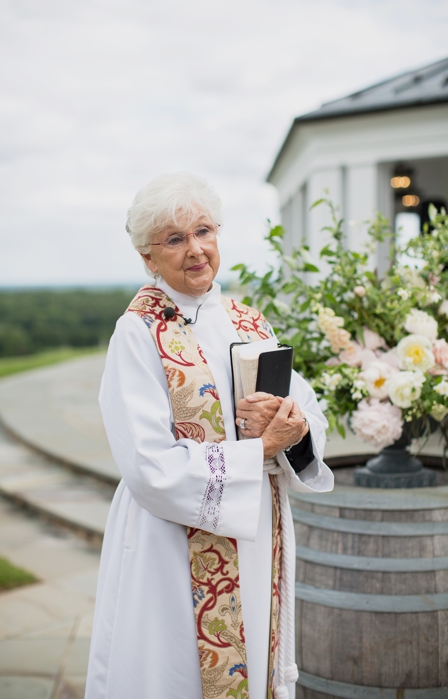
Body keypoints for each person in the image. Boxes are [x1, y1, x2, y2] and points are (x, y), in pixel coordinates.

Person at [84, 172, 333, 699]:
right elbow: (149, 465)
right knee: (173, 672)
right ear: (148, 258)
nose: (195, 250)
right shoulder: (138, 333)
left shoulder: (249, 322)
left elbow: (306, 407)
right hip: (170, 541)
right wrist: (257, 451)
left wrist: (294, 428)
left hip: (254, 531)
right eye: (174, 239)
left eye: (203, 231)